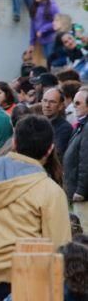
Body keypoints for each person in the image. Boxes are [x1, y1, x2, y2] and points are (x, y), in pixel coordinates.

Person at [0, 115, 71, 301]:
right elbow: (60, 250)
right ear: (50, 149)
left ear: (13, 142)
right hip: (27, 279)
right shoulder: (49, 190)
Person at [64, 88, 88, 227]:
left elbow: (86, 161)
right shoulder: (82, 124)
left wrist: (81, 190)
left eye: (78, 103)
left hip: (83, 196)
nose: (74, 106)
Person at [43, 86, 74, 156]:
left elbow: (57, 152)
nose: (47, 105)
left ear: (60, 106)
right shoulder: (37, 123)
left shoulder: (65, 128)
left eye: (52, 102)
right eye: (45, 101)